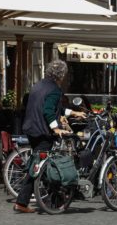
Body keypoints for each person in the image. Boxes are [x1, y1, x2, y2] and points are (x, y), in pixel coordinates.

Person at [14, 60, 86, 213]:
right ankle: (24, 202)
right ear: (62, 75)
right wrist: (56, 129)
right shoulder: (54, 89)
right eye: (65, 75)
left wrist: (73, 112)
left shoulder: (38, 85)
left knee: (39, 165)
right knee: (39, 167)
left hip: (31, 129)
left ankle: (50, 198)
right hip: (42, 132)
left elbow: (54, 108)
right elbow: (48, 110)